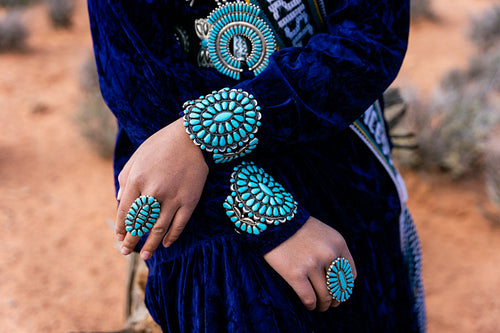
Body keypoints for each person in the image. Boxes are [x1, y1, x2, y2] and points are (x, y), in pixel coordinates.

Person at [87, 0, 426, 331]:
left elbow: (370, 40)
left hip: (345, 172)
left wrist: (202, 132)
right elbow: (134, 75)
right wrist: (270, 218)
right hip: (208, 215)